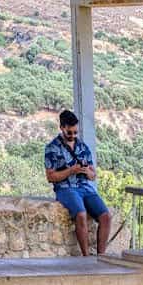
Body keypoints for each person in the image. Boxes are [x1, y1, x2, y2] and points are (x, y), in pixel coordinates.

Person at [44, 110, 111, 257]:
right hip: (65, 188)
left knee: (106, 216)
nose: (73, 136)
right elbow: (50, 177)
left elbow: (93, 175)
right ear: (62, 127)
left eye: (75, 132)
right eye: (70, 132)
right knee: (81, 214)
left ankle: (102, 256)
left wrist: (88, 173)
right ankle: (86, 256)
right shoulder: (52, 148)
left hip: (85, 186)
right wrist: (71, 171)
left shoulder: (83, 147)